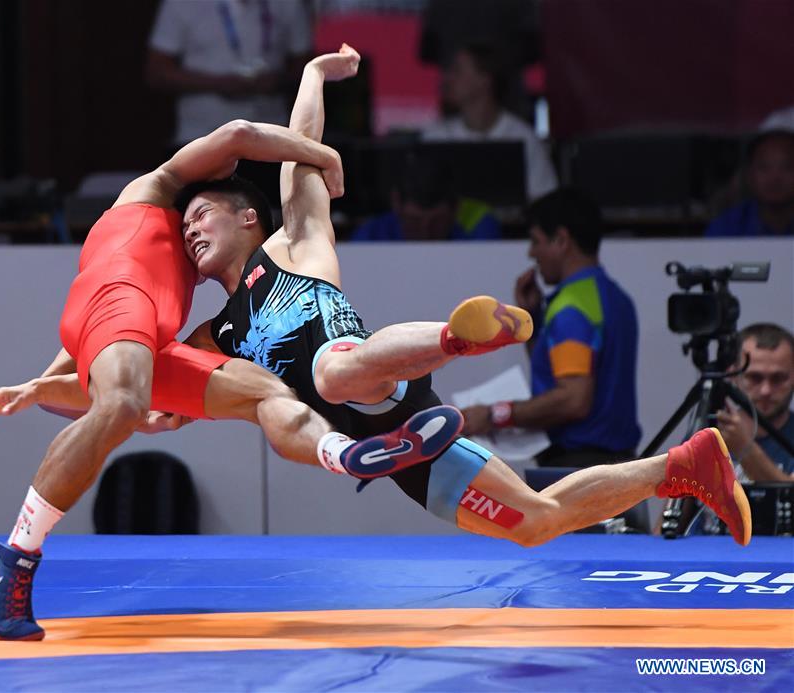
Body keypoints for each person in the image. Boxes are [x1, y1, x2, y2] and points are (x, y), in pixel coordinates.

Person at [178, 47, 750, 551]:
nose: (192, 231)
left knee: (333, 374)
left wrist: (314, 72)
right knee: (534, 521)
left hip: (376, 380)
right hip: (395, 445)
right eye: (184, 228)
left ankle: (459, 336)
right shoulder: (217, 336)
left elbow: (301, 152)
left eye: (202, 215)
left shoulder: (289, 245)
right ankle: (682, 466)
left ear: (248, 217)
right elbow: (160, 399)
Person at [0, 119, 463, 642]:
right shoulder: (153, 189)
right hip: (123, 306)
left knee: (265, 391)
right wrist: (325, 153)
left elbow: (94, 337)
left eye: (202, 218)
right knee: (124, 405)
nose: (192, 230)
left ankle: (346, 454)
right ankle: (16, 559)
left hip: (144, 334)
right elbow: (240, 135)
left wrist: (46, 385)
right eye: (191, 219)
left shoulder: (190, 266)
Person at [461, 187, 641, 468]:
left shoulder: (571, 308)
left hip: (578, 468)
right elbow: (564, 378)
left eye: (536, 241)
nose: (532, 253)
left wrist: (494, 415)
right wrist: (534, 317)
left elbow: (573, 399)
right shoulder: (616, 299)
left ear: (561, 240)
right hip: (616, 464)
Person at [146, 0, 312, 146]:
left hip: (272, 137)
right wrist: (218, 84)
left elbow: (307, 67)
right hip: (201, 139)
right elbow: (157, 72)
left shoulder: (289, 3)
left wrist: (278, 82)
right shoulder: (182, 3)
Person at [421, 42, 557, 202]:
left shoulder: (523, 137)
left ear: (485, 80)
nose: (447, 78)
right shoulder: (436, 137)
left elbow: (546, 199)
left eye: (457, 71)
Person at [350, 154, 501, 241]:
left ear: (456, 207)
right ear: (396, 203)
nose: (426, 234)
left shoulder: (479, 226)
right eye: (414, 222)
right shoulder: (371, 235)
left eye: (437, 222)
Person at [717, 323, 794, 481]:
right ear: (733, 374)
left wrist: (744, 448)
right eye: (754, 378)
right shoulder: (709, 431)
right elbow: (675, 504)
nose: (766, 390)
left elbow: (789, 502)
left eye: (778, 378)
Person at [705, 130, 794, 237]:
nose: (775, 178)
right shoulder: (726, 227)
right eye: (764, 167)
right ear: (749, 174)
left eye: (787, 167)